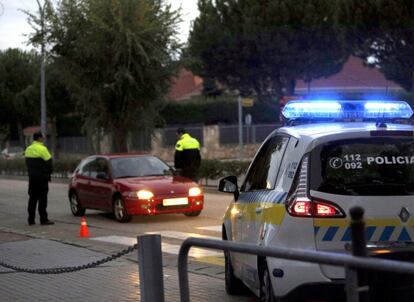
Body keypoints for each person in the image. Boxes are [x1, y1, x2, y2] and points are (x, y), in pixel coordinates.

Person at [24, 131, 54, 225]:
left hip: (32, 179)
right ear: (40, 138)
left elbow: (27, 163)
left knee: (32, 199)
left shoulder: (28, 149)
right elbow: (49, 163)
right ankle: (43, 219)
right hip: (42, 179)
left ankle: (31, 219)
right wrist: (48, 174)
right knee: (42, 200)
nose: (43, 139)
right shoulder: (43, 149)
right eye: (42, 138)